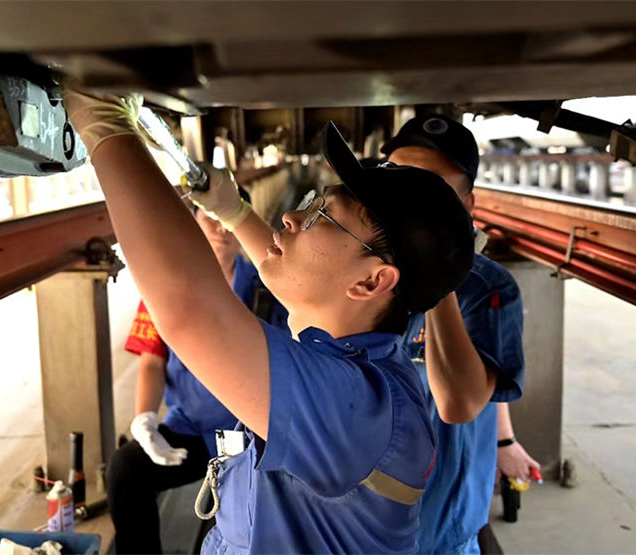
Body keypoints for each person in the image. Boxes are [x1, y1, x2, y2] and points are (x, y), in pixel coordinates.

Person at [62, 87, 474, 554]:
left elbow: (191, 311)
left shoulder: (357, 407)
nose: (293, 217)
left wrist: (107, 129)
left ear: (371, 281)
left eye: (322, 215)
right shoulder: (350, 354)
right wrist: (236, 213)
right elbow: (294, 284)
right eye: (314, 199)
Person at [381, 114, 540, 554]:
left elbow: (467, 397)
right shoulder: (362, 271)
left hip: (438, 526)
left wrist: (438, 272)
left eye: (430, 186)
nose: (408, 197)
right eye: (395, 177)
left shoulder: (485, 288)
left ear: (465, 204)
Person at [106, 191, 287, 553]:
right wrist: (144, 419)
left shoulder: (271, 288)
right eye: (209, 217)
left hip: (253, 435)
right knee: (126, 470)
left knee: (234, 525)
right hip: (191, 428)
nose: (220, 228)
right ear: (193, 223)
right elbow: (152, 359)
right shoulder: (166, 284)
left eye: (228, 218)